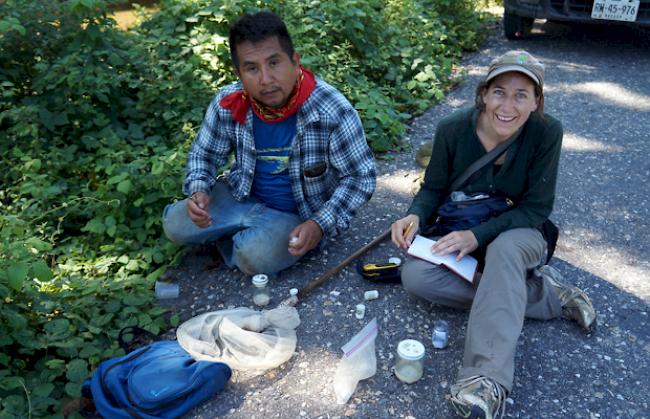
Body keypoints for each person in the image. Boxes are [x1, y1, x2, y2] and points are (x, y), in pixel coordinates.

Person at [390, 50, 596, 419]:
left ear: (537, 102)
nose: (508, 105)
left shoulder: (547, 133)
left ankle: (484, 380)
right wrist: (414, 217)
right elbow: (432, 190)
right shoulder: (453, 129)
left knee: (503, 249)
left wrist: (478, 236)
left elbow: (536, 208)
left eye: (522, 95)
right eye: (499, 91)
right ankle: (549, 296)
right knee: (416, 278)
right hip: (463, 231)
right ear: (483, 94)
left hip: (521, 232)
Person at [163, 11, 375, 276]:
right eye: (252, 68)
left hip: (297, 214)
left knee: (255, 258)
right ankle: (242, 235)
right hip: (241, 197)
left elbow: (361, 177)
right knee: (174, 224)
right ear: (238, 72)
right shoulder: (228, 103)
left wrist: (319, 224)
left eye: (274, 63)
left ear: (295, 62)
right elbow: (203, 155)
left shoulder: (331, 109)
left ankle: (244, 241)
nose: (265, 79)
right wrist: (199, 191)